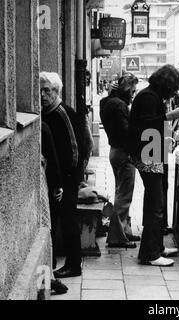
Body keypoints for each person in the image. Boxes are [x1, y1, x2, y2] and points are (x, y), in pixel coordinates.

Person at [127, 64, 179, 267]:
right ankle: (149, 254)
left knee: (157, 199)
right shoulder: (149, 97)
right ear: (167, 84)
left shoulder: (151, 95)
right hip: (149, 155)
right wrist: (170, 116)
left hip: (153, 153)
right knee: (155, 204)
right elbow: (145, 125)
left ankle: (157, 247)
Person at [40, 72, 83, 278]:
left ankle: (74, 266)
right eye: (39, 90)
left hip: (67, 178)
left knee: (68, 221)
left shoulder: (62, 112)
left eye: (47, 90)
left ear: (56, 91)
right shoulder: (44, 113)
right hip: (55, 177)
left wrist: (68, 180)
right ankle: (53, 262)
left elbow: (77, 149)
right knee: (54, 219)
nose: (42, 95)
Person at [100, 74, 141, 248]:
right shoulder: (120, 105)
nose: (133, 95)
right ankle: (117, 236)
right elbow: (126, 132)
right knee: (123, 196)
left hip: (115, 151)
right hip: (124, 153)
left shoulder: (106, 102)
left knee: (121, 193)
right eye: (132, 91)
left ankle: (124, 230)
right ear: (125, 90)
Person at [41, 122, 68, 295]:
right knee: (45, 230)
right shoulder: (42, 127)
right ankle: (46, 281)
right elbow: (52, 156)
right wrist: (58, 184)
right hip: (41, 187)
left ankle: (46, 280)